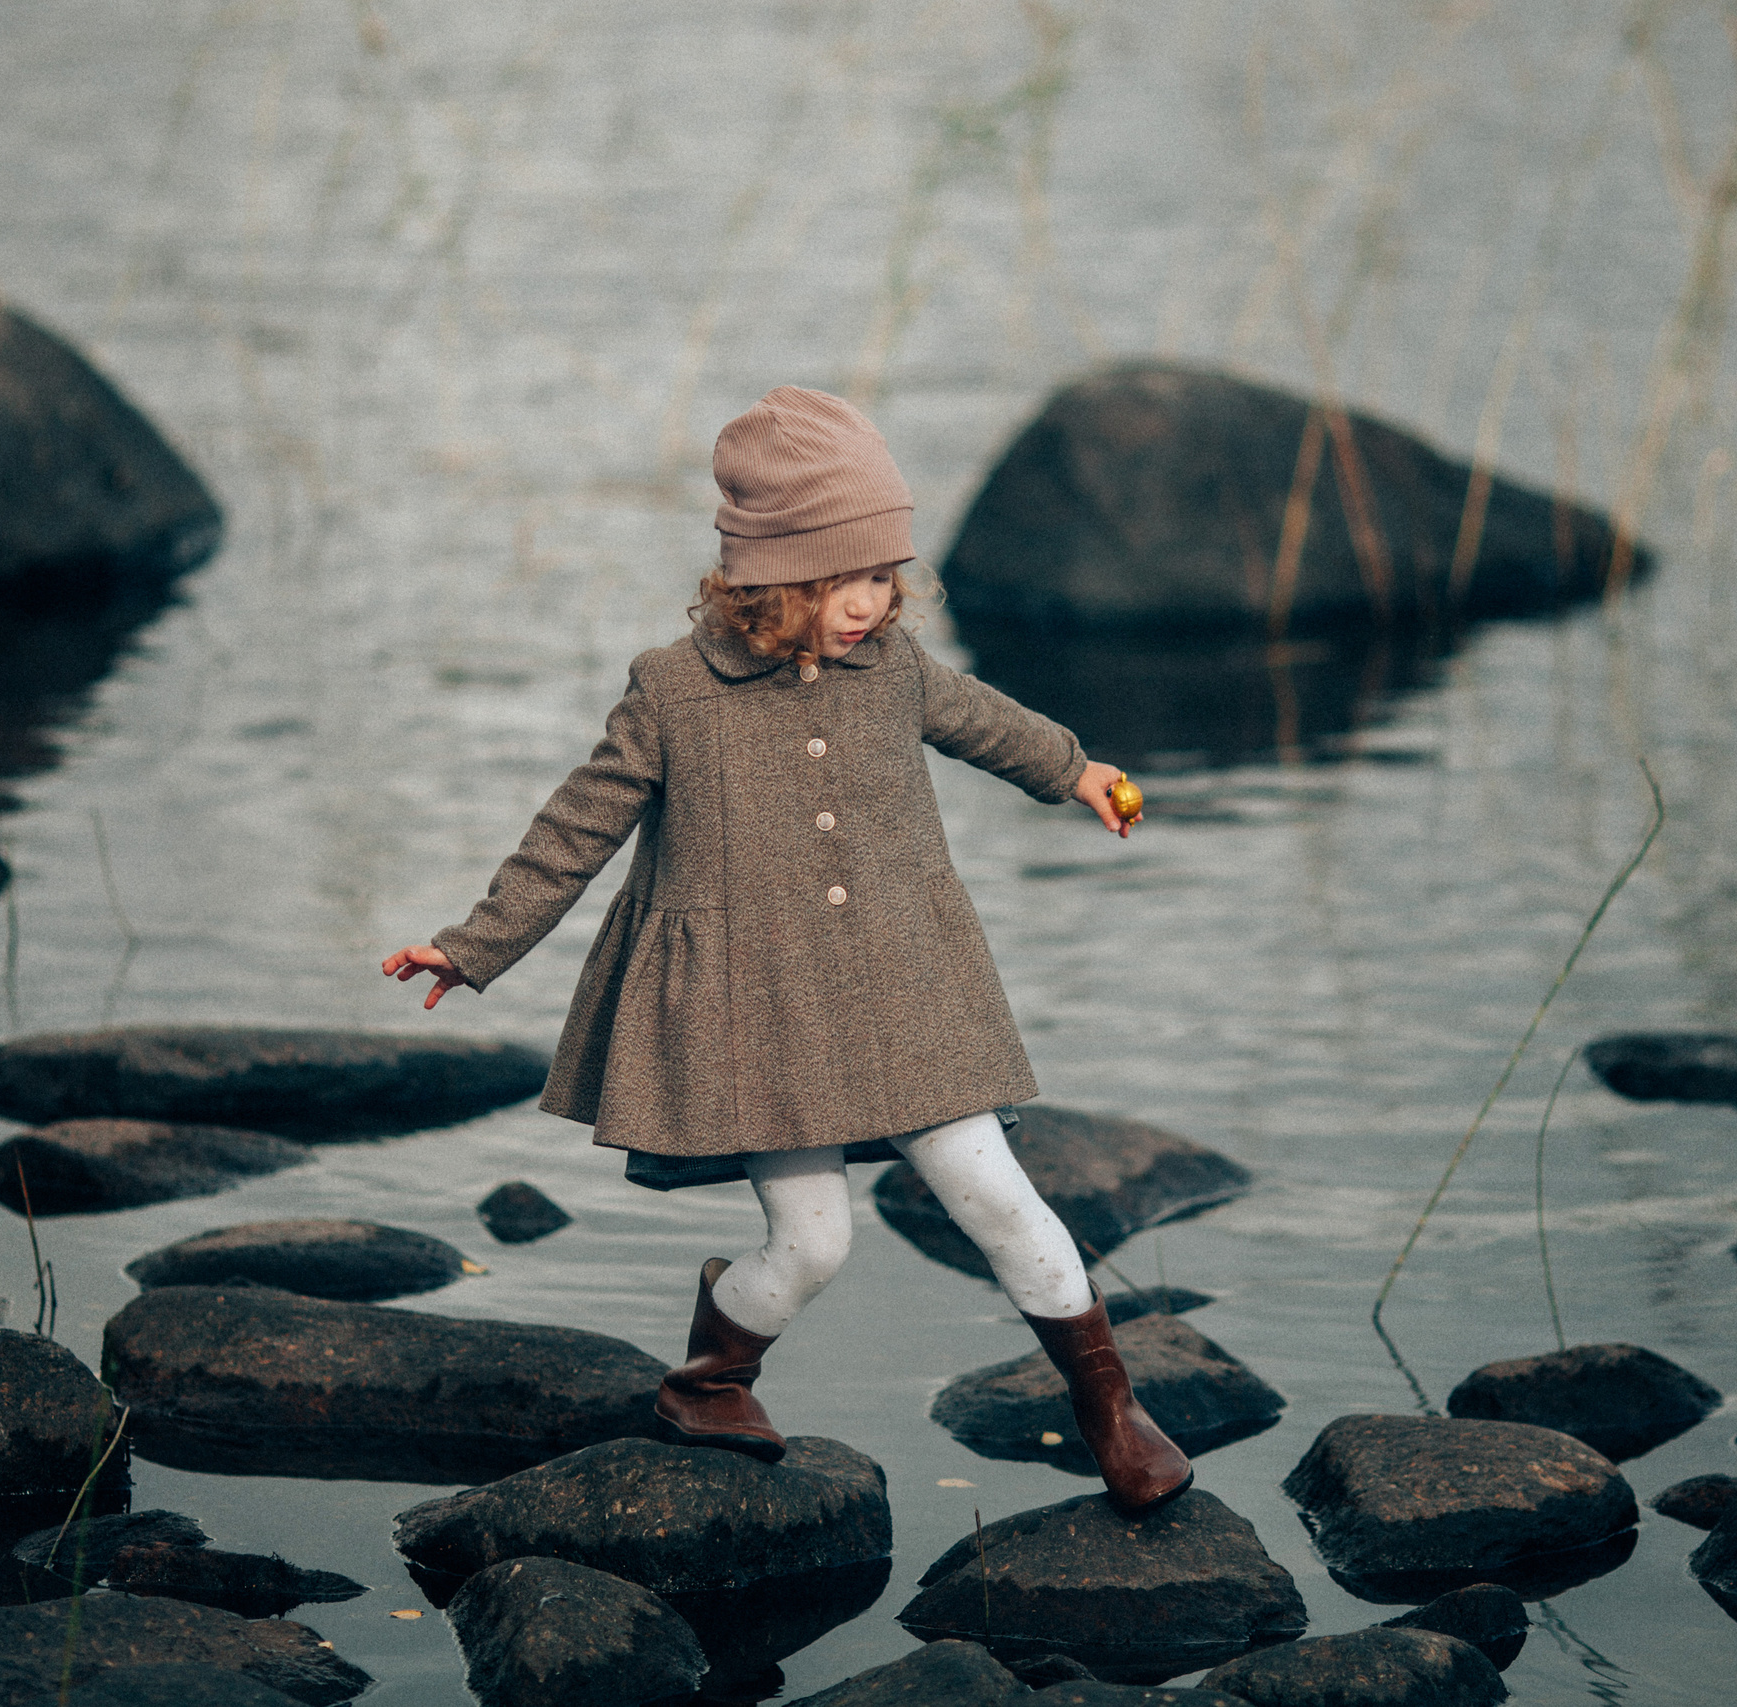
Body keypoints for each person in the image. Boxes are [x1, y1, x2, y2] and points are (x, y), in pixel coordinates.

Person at [382, 385, 1190, 1513]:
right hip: (761, 1013)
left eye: (883, 579)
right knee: (813, 1246)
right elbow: (579, 824)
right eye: (844, 581)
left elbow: (990, 724)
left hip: (909, 989)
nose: (872, 604)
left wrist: (1078, 770)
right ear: (772, 577)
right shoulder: (673, 692)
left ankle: (1111, 1410)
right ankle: (709, 1382)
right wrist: (473, 947)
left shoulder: (894, 668)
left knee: (1000, 1198)